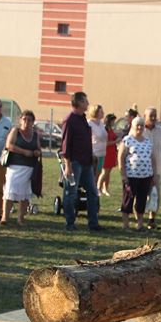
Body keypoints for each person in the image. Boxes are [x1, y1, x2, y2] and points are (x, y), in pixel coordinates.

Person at [59, 91, 101, 232]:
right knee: (71, 193)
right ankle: (70, 222)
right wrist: (67, 166)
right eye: (85, 101)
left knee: (92, 192)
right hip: (74, 163)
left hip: (86, 163)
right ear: (78, 103)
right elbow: (65, 145)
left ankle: (93, 223)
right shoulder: (69, 120)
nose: (88, 104)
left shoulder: (83, 119)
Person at [1, 110, 41, 226]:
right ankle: (5, 217)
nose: (27, 122)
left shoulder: (35, 134)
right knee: (9, 191)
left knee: (25, 194)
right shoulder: (15, 131)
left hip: (30, 167)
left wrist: (36, 152)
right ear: (20, 120)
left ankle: (21, 218)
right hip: (15, 166)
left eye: (29, 120)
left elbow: (38, 148)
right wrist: (24, 152)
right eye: (24, 119)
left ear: (33, 122)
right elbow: (9, 145)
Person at [117, 116, 153, 231]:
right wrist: (123, 175)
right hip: (131, 176)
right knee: (128, 200)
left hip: (145, 176)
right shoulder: (127, 140)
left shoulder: (148, 141)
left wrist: (154, 174)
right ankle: (125, 224)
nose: (140, 127)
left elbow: (151, 158)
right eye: (137, 125)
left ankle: (140, 224)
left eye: (142, 125)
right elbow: (121, 158)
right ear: (132, 126)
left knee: (142, 200)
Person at [141, 107, 161, 230]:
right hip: (141, 170)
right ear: (145, 116)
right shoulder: (139, 130)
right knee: (140, 196)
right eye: (151, 116)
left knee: (155, 195)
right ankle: (139, 219)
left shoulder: (160, 131)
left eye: (155, 115)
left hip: (156, 170)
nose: (154, 118)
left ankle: (151, 220)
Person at [97, 112, 119, 208]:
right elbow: (105, 143)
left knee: (108, 172)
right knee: (104, 172)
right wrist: (115, 141)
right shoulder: (104, 129)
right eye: (113, 120)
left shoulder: (111, 129)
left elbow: (113, 137)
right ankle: (98, 187)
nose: (114, 122)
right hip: (106, 152)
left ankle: (105, 188)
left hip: (112, 152)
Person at [88, 104, 109, 195]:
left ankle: (94, 190)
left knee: (98, 173)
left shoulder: (101, 124)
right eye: (101, 111)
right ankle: (90, 191)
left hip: (102, 153)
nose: (103, 113)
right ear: (95, 112)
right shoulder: (89, 123)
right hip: (94, 153)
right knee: (92, 174)